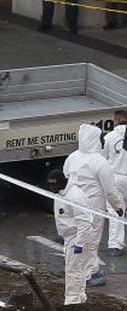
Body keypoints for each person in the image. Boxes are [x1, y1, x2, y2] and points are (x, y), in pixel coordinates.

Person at [63, 124, 124, 287]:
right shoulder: (99, 162)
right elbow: (110, 189)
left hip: (73, 203)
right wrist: (118, 207)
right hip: (92, 206)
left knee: (77, 238)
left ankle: (84, 270)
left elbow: (66, 173)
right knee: (91, 240)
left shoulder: (73, 156)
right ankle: (89, 273)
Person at [47, 169, 92, 305]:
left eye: (53, 184)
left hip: (78, 236)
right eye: (49, 184)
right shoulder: (61, 193)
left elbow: (84, 222)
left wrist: (79, 243)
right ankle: (80, 297)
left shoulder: (75, 197)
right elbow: (64, 217)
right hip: (70, 236)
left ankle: (72, 301)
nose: (51, 187)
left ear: (61, 183)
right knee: (77, 269)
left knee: (73, 270)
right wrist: (62, 234)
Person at [103, 110, 127, 257]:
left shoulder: (109, 137)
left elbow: (102, 159)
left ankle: (115, 246)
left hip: (115, 178)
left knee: (116, 211)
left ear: (116, 121)